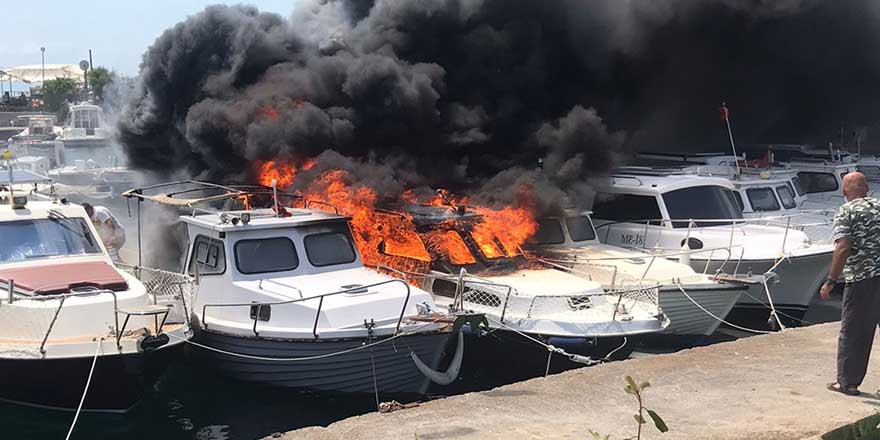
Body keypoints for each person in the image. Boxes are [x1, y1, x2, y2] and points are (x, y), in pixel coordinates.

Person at [821, 172, 880, 396]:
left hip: (862, 278)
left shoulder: (848, 210)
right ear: (866, 189)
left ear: (844, 191)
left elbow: (843, 247)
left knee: (854, 331)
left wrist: (830, 280)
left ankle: (848, 382)